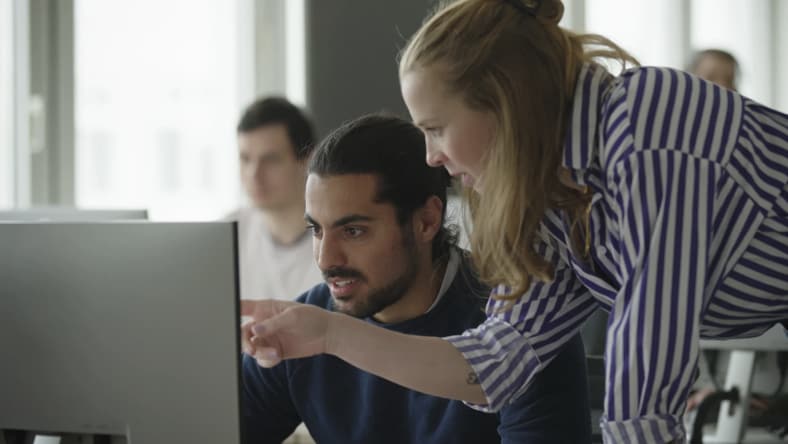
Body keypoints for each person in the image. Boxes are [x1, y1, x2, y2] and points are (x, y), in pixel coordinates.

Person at [242, 1, 788, 442]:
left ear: (503, 102)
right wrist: (328, 333)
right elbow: (492, 364)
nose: (430, 157)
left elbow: (645, 389)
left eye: (435, 128)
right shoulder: (557, 200)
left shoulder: (647, 129)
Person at [241, 114, 591, 444]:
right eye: (316, 230)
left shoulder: (525, 323)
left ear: (426, 221)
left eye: (353, 231)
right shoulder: (305, 327)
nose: (325, 258)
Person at [228, 97, 322, 300]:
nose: (254, 174)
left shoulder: (337, 243)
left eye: (270, 160)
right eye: (245, 159)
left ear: (307, 159)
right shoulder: (230, 232)